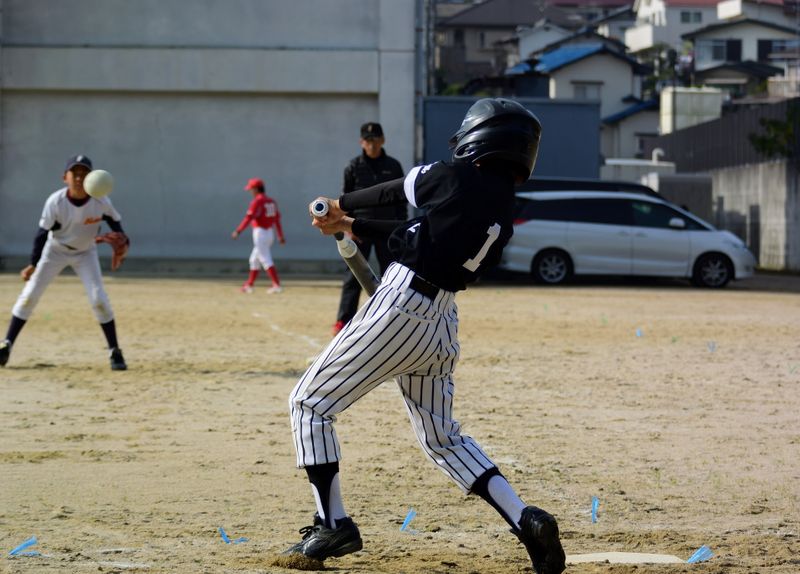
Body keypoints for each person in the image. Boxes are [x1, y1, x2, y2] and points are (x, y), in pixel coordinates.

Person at [284, 99, 566, 574]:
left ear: (480, 138)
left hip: (400, 307)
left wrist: (342, 204)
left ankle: (332, 522)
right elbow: (414, 235)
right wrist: (349, 225)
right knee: (444, 439)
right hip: (440, 321)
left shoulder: (454, 177)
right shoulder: (501, 210)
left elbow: (398, 190)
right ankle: (525, 520)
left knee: (309, 405)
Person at [0, 154, 129, 371]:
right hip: (55, 251)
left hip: (86, 253)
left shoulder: (101, 201)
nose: (79, 177)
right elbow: (42, 234)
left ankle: (114, 351)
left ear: (91, 177)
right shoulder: (56, 202)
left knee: (99, 299)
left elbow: (116, 225)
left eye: (84, 173)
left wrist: (124, 242)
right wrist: (33, 264)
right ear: (64, 177)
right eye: (74, 173)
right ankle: (6, 344)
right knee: (29, 296)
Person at [331, 122, 404, 335]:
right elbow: (344, 201)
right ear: (361, 142)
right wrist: (348, 228)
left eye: (375, 140)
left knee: (392, 276)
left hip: (387, 228)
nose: (371, 144)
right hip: (359, 229)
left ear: (383, 140)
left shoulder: (394, 166)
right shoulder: (353, 167)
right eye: (367, 140)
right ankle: (344, 321)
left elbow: (402, 199)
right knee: (353, 276)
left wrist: (401, 228)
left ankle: (392, 318)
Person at [231, 178, 285, 294]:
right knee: (254, 259)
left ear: (256, 189)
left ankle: (276, 284)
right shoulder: (271, 201)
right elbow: (277, 220)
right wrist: (280, 235)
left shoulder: (257, 201)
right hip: (270, 232)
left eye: (251, 189)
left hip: (260, 233)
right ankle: (249, 285)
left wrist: (238, 231)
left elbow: (248, 218)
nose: (250, 192)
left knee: (265, 259)